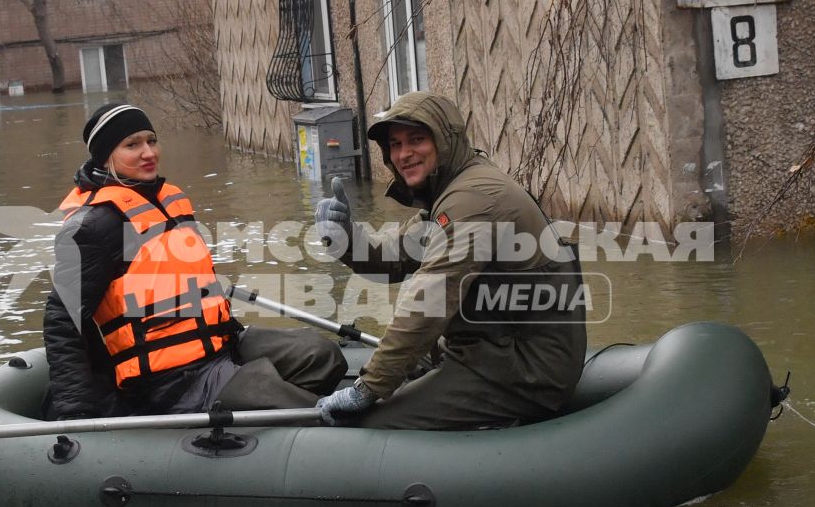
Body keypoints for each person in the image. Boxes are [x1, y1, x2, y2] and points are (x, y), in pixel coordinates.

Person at [43, 102, 346, 419]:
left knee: (322, 355)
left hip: (220, 345)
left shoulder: (169, 201)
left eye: (151, 140)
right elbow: (62, 320)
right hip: (171, 380)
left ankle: (256, 415)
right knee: (297, 405)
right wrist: (75, 412)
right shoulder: (95, 225)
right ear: (106, 156)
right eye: (132, 145)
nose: (149, 152)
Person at [312, 92, 586, 429]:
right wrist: (344, 237)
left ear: (445, 140)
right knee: (398, 369)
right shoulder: (453, 190)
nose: (403, 154)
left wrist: (367, 388)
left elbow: (430, 300)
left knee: (374, 425)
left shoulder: (473, 199)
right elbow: (394, 256)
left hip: (524, 371)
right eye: (395, 144)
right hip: (492, 347)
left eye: (416, 139)